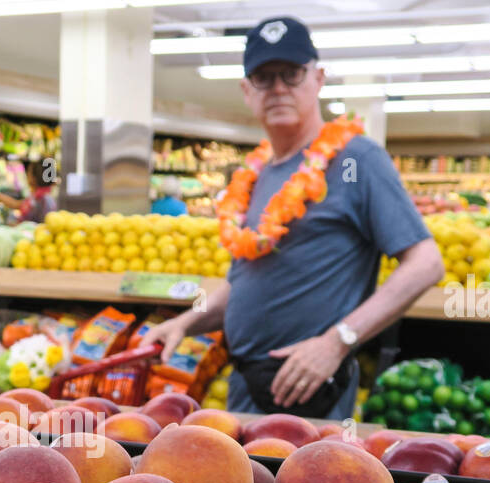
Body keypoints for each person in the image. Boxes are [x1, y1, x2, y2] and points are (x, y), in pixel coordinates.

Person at [141, 16, 443, 419]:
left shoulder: (357, 159)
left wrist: (338, 341)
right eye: (264, 77)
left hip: (310, 390)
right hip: (244, 386)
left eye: (292, 73)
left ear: (318, 79)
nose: (279, 87)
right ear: (246, 90)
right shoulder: (256, 174)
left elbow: (426, 263)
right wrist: (186, 321)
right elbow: (247, 281)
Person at [0, 157, 57, 224]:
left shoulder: (41, 199)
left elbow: (33, 225)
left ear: (34, 178)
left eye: (28, 172)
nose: (26, 176)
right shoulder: (42, 195)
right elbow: (15, 204)